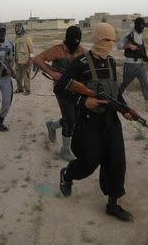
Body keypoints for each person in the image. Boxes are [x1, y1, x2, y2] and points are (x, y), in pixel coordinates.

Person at [54, 23, 134, 222]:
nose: (110, 43)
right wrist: (83, 101)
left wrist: (124, 109)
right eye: (106, 39)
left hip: (111, 121)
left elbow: (115, 93)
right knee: (89, 163)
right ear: (97, 39)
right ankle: (68, 174)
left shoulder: (111, 62)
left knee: (116, 162)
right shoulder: (80, 62)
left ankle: (113, 204)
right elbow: (60, 88)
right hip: (89, 122)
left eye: (112, 39)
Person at [33, 25, 85, 161]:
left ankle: (52, 125)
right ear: (67, 39)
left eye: (78, 41)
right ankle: (65, 150)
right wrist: (52, 73)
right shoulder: (57, 50)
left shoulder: (81, 51)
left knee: (74, 118)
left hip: (77, 88)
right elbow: (37, 59)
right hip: (61, 89)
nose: (76, 44)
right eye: (73, 41)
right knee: (70, 120)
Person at [117, 17, 148, 113]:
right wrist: (129, 46)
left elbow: (142, 50)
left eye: (143, 26)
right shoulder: (129, 34)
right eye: (140, 26)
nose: (142, 28)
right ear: (136, 25)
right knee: (124, 84)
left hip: (140, 65)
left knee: (145, 84)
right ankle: (116, 98)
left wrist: (147, 61)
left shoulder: (141, 35)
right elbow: (118, 45)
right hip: (130, 65)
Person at [14, 23, 34, 95]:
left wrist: (31, 59)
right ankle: (20, 89)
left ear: (22, 28)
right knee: (18, 76)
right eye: (16, 28)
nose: (17, 29)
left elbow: (31, 49)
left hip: (26, 60)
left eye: (18, 28)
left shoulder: (27, 37)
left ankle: (28, 90)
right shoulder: (16, 37)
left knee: (26, 76)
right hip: (18, 60)